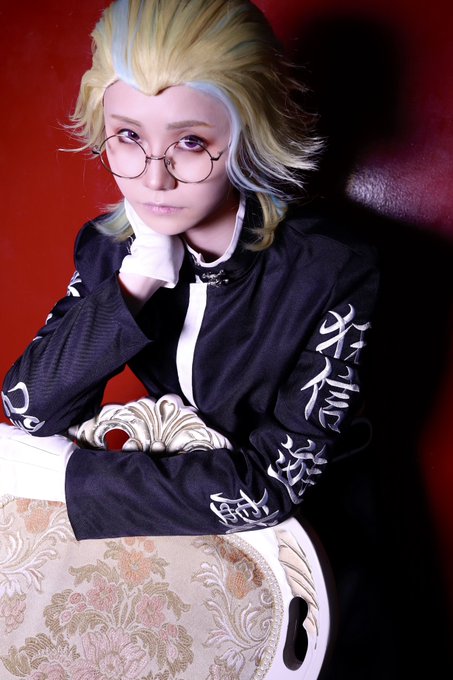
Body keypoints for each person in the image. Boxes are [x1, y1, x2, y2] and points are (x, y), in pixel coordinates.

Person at [0, 0, 378, 542]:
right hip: (177, 541)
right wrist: (138, 279)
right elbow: (30, 408)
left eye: (191, 142)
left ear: (248, 136)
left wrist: (70, 482)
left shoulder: (331, 268)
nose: (154, 179)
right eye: (129, 136)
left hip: (316, 549)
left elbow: (271, 487)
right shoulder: (111, 251)